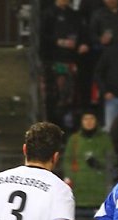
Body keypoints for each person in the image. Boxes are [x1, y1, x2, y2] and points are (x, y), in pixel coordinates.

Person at [40, 0, 91, 129]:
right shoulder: (48, 14)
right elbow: (42, 37)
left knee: (70, 97)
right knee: (55, 96)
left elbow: (83, 34)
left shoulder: (74, 15)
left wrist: (83, 44)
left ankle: (66, 129)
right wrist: (59, 42)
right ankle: (52, 126)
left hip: (72, 61)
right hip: (54, 61)